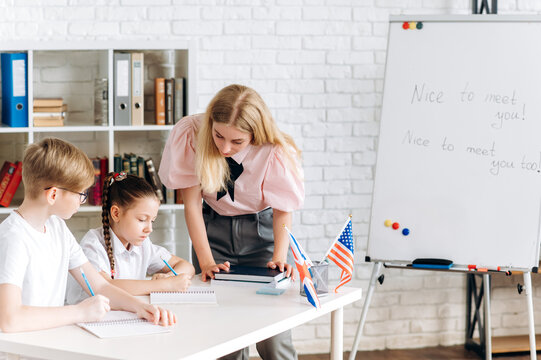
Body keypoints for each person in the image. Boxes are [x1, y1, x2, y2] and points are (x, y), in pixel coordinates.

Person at [159, 84, 304, 360]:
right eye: (219, 136)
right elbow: (191, 204)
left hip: (262, 235)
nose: (225, 148)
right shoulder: (191, 134)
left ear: (255, 133)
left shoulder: (274, 150)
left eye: (237, 142)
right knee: (223, 336)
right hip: (211, 233)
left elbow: (283, 209)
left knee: (274, 340)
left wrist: (279, 256)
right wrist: (206, 261)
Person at [0, 138, 175, 333]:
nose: (82, 201)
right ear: (53, 195)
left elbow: (99, 285)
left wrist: (140, 307)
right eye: (81, 194)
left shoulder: (57, 228)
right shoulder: (13, 238)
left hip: (50, 341)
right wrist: (80, 312)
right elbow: (9, 320)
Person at [66, 172, 195, 304]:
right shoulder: (93, 244)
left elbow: (187, 267)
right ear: (116, 213)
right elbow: (105, 287)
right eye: (142, 219)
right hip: (87, 319)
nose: (149, 228)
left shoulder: (143, 245)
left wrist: (168, 277)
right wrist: (164, 285)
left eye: (153, 221)